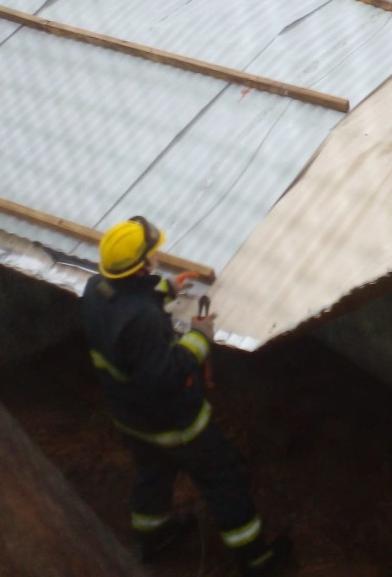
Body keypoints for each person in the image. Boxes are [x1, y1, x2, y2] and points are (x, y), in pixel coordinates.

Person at [81, 216, 291, 573]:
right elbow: (164, 377)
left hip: (131, 418)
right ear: (139, 267)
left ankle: (152, 538)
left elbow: (126, 306)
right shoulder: (143, 322)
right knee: (224, 480)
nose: (157, 257)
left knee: (152, 475)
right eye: (152, 254)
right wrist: (199, 336)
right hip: (176, 425)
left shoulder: (96, 289)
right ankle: (256, 559)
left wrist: (164, 291)